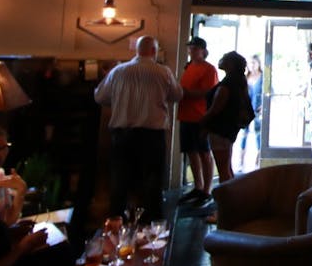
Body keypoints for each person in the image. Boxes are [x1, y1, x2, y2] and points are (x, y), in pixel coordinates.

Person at [93, 36, 183, 218]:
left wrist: (120, 100)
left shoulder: (118, 71)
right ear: (154, 51)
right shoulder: (163, 72)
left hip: (122, 134)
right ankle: (153, 227)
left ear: (137, 51)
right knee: (152, 180)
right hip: (152, 135)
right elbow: (177, 95)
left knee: (120, 179)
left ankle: (116, 223)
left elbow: (100, 97)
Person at [200, 51, 252, 189]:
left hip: (220, 129)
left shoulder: (227, 84)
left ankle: (226, 203)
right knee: (227, 167)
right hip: (228, 129)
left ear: (230, 64)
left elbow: (215, 109)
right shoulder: (238, 81)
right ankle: (232, 198)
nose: (220, 60)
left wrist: (203, 122)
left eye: (224, 58)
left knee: (223, 169)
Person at [177, 36, 218, 206]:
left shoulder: (209, 70)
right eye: (190, 48)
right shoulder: (188, 68)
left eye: (195, 48)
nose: (191, 51)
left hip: (200, 117)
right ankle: (198, 186)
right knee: (191, 152)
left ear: (203, 50)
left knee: (204, 153)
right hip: (185, 115)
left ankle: (207, 190)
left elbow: (208, 92)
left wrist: (185, 93)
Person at [238, 54, 263, 172]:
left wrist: (263, 106)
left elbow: (268, 92)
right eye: (250, 63)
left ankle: (258, 162)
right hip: (245, 110)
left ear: (259, 64)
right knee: (244, 134)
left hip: (258, 110)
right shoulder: (245, 78)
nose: (252, 66)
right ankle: (241, 162)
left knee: (259, 134)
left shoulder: (263, 77)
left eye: (254, 63)